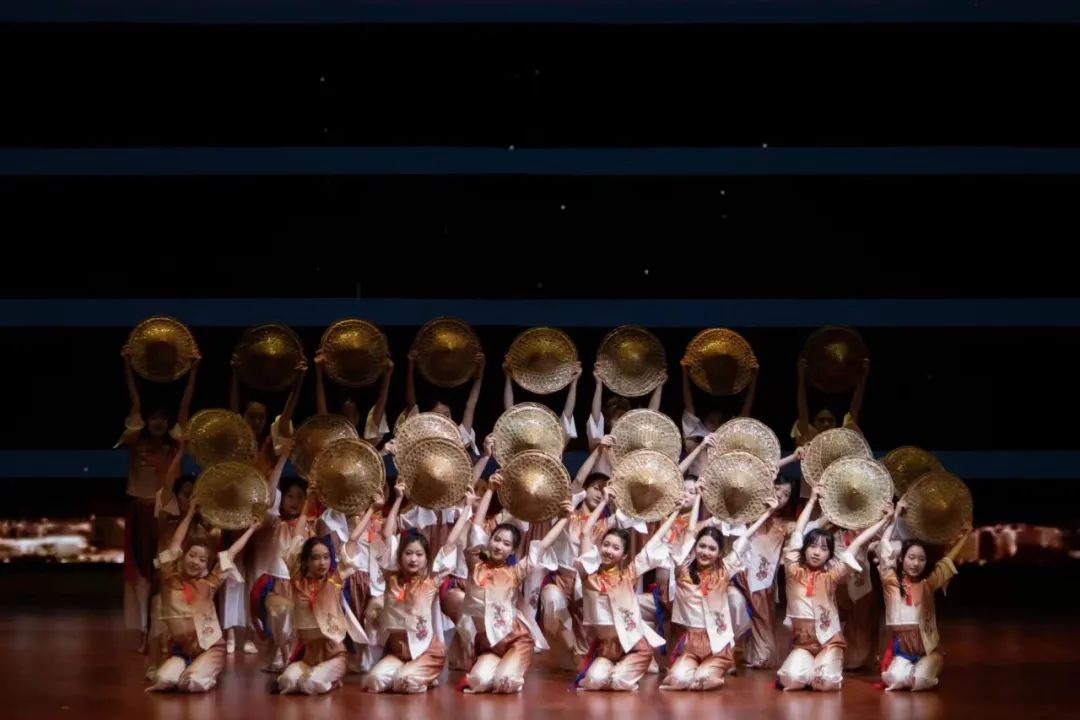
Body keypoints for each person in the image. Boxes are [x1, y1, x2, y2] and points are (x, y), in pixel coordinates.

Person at [456, 476, 570, 694]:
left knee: (504, 684)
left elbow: (542, 546)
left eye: (506, 544)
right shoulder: (475, 564)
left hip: (515, 640)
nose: (499, 546)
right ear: (489, 541)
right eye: (497, 539)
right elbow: (476, 527)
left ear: (512, 550)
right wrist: (490, 490)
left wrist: (564, 519)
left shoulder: (514, 573)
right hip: (489, 645)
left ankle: (509, 669)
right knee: (478, 682)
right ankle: (496, 668)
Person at [118, 343, 197, 649]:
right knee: (142, 575)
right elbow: (134, 403)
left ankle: (168, 631)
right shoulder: (136, 444)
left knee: (165, 572)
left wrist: (194, 368)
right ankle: (144, 633)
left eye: (163, 418)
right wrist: (127, 363)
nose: (159, 422)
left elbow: (185, 407)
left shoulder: (174, 446)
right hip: (140, 513)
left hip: (166, 515)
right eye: (154, 418)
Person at [775, 487, 892, 692]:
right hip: (803, 645)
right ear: (804, 549)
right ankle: (809, 669)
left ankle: (820, 668)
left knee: (824, 682)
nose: (817, 552)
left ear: (830, 555)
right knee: (791, 680)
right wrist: (812, 500)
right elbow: (799, 530)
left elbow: (858, 543)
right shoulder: (793, 570)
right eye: (813, 546)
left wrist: (884, 520)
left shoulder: (831, 576)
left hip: (828, 643)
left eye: (823, 549)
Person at [361, 481, 473, 693]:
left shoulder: (431, 582)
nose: (413, 559)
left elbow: (450, 542)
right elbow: (386, 535)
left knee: (403, 682)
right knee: (373, 681)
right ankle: (413, 673)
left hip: (425, 652)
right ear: (400, 556)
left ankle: (421, 673)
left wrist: (467, 507)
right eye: (408, 553)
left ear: (426, 559)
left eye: (419, 555)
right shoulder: (391, 578)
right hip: (398, 653)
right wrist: (398, 499)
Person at [661, 495, 779, 690]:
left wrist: (768, 513)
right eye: (702, 546)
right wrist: (697, 497)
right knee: (679, 680)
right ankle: (694, 672)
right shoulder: (682, 570)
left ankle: (712, 671)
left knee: (702, 680)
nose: (705, 552)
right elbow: (690, 532)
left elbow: (745, 539)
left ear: (719, 553)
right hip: (689, 645)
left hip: (716, 646)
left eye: (712, 549)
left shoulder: (724, 571)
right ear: (695, 547)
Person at [574, 489, 682, 692]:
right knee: (594, 681)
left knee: (616, 681)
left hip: (634, 648)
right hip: (606, 648)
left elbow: (653, 544)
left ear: (624, 556)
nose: (609, 550)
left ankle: (624, 673)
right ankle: (619, 673)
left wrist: (674, 513)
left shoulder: (627, 576)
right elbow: (586, 533)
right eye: (606, 545)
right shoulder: (588, 575)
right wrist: (604, 502)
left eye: (616, 548)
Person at [146, 502, 259, 692]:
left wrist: (252, 529)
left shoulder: (209, 585)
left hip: (210, 649)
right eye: (192, 555)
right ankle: (189, 670)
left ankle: (203, 674)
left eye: (202, 559)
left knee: (191, 683)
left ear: (207, 565)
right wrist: (191, 511)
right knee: (164, 680)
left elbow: (231, 554)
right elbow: (175, 544)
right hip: (182, 652)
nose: (195, 562)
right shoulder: (170, 578)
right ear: (183, 556)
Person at [275, 495, 381, 695]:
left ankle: (330, 678)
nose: (322, 563)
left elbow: (352, 540)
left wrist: (372, 509)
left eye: (325, 557)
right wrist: (308, 500)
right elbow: (296, 539)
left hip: (333, 654)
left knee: (309, 684)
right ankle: (317, 675)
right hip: (308, 656)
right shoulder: (298, 581)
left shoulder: (334, 581)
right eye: (316, 558)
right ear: (306, 562)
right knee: (287, 682)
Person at [876, 497, 969, 691]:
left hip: (927, 650)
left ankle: (927, 666)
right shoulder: (891, 582)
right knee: (895, 679)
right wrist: (895, 515)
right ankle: (909, 669)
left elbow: (946, 564)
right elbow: (884, 544)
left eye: (921, 559)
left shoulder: (927, 584)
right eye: (911, 558)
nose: (916, 563)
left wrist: (964, 536)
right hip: (903, 651)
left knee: (917, 681)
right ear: (901, 559)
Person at [314, 351, 394, 445]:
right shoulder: (332, 441)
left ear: (357, 419)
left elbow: (380, 407)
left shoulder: (365, 444)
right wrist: (319, 371)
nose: (344, 421)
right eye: (343, 415)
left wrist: (387, 375)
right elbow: (323, 416)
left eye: (348, 415)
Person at [794, 356, 869, 447]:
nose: (826, 424)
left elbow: (854, 408)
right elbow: (802, 411)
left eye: (830, 421)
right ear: (814, 424)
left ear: (835, 424)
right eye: (821, 420)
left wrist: (863, 377)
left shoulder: (843, 438)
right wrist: (801, 376)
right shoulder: (809, 436)